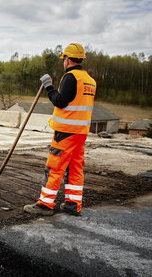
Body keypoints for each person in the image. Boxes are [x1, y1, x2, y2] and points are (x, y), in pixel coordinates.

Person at [24, 43, 96, 216]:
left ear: (67, 59)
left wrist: (49, 86)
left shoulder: (71, 77)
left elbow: (60, 101)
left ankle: (45, 205)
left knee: (54, 168)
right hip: (80, 133)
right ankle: (73, 205)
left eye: (64, 59)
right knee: (75, 168)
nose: (64, 62)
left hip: (65, 132)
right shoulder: (90, 81)